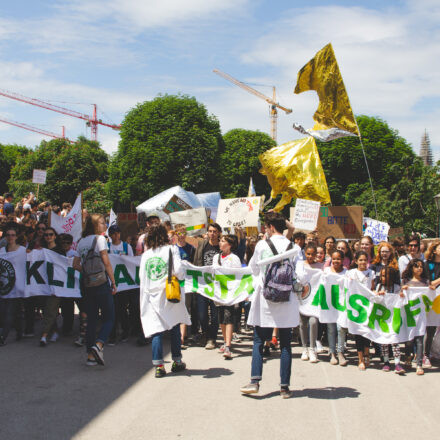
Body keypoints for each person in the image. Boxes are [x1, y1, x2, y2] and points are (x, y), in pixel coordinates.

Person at [240, 211, 300, 399]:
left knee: (258, 341)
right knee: (285, 345)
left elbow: (253, 268)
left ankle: (255, 381)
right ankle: (285, 388)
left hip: (265, 300)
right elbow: (301, 274)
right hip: (287, 300)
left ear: (270, 227)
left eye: (266, 226)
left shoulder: (261, 245)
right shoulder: (294, 246)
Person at [139, 224, 189, 377]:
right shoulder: (171, 249)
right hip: (168, 293)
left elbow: (142, 276)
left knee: (156, 330)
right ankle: (177, 361)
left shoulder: (146, 255)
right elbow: (179, 271)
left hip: (151, 295)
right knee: (174, 325)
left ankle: (159, 365)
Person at [74, 214, 116, 366]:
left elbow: (75, 264)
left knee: (91, 319)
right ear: (95, 225)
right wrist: (113, 281)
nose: (105, 225)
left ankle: (90, 357)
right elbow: (106, 262)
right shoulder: (100, 240)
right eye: (102, 223)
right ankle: (98, 345)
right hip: (101, 283)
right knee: (109, 317)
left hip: (86, 284)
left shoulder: (81, 242)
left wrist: (86, 271)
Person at [213, 234, 241, 359]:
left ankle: (228, 346)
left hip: (230, 293)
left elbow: (239, 275)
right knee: (221, 319)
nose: (220, 242)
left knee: (228, 318)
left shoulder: (234, 258)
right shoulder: (216, 257)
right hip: (219, 293)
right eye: (220, 240)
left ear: (229, 244)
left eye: (223, 241)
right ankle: (225, 341)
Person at [193, 223, 221, 349]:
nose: (212, 233)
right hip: (203, 285)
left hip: (217, 285)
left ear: (219, 232)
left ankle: (212, 338)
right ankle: (205, 332)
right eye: (210, 231)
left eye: (215, 231)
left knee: (215, 315)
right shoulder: (202, 245)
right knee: (202, 314)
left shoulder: (222, 247)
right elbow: (196, 262)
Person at [347, 251, 375, 370]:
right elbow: (347, 287)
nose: (363, 262)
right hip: (355, 306)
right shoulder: (351, 272)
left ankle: (367, 353)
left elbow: (372, 288)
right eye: (361, 260)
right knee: (358, 333)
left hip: (367, 306)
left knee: (367, 331)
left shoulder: (371, 273)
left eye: (365, 260)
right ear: (356, 261)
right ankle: (360, 359)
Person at [374, 267, 405, 374]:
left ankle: (397, 363)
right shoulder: (379, 286)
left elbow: (400, 300)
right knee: (384, 342)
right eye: (381, 276)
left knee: (395, 341)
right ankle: (386, 361)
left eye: (384, 276)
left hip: (393, 318)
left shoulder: (396, 287)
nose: (382, 278)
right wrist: (378, 295)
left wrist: (400, 296)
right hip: (383, 318)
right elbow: (374, 299)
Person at [401, 259, 430, 375]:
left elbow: (430, 296)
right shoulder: (406, 282)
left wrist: (431, 290)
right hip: (409, 314)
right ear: (412, 268)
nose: (419, 269)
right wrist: (402, 292)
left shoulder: (426, 282)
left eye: (421, 267)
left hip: (421, 315)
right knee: (409, 339)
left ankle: (419, 364)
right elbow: (401, 297)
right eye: (417, 266)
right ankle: (408, 357)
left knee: (419, 339)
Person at [107, 224, 134, 345]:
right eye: (113, 233)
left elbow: (132, 262)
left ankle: (125, 331)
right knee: (111, 309)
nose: (116, 235)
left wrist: (125, 258)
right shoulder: (107, 247)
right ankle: (112, 334)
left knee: (122, 308)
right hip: (110, 281)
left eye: (118, 233)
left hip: (123, 282)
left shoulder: (126, 246)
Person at [39, 227, 66, 346]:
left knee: (50, 308)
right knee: (47, 309)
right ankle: (54, 330)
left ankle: (44, 335)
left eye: (51, 234)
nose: (48, 237)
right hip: (43, 284)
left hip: (55, 284)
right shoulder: (41, 250)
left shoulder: (60, 251)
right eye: (46, 235)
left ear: (55, 236)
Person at [296, 244, 322, 363]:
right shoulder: (300, 265)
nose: (311, 256)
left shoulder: (320, 267)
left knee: (313, 322)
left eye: (313, 254)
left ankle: (312, 348)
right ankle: (304, 348)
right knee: (302, 324)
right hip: (302, 298)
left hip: (315, 301)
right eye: (308, 254)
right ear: (305, 253)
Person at [0, 225, 26, 345]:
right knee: (5, 312)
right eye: (8, 235)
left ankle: (2, 337)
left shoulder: (23, 251)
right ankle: (20, 331)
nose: (10, 237)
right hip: (4, 287)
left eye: (13, 235)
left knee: (9, 313)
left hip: (16, 287)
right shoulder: (1, 251)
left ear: (16, 237)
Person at [174, 224, 196, 348]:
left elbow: (194, 264)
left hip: (187, 282)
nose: (182, 236)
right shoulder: (172, 249)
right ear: (176, 234)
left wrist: (188, 264)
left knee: (185, 307)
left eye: (184, 233)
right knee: (176, 306)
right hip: (176, 282)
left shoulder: (191, 248)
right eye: (179, 233)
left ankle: (182, 336)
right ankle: (179, 334)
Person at [323, 250, 347, 365]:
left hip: (342, 305)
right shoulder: (326, 271)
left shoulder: (347, 273)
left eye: (338, 259)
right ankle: (332, 353)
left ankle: (340, 352)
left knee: (341, 328)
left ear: (342, 260)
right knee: (331, 329)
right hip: (329, 304)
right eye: (334, 259)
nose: (336, 261)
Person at [421, 241, 440, 369]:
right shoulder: (427, 265)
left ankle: (436, 353)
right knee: (430, 328)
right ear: (434, 250)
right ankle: (426, 354)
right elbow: (430, 284)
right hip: (432, 300)